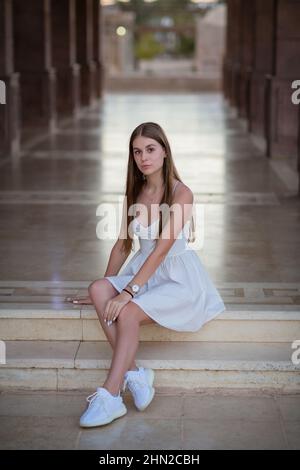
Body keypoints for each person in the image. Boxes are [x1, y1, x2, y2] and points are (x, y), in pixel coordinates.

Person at [67, 122, 226, 428]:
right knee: (98, 289)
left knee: (126, 314)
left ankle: (110, 396)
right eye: (137, 151)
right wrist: (110, 288)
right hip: (145, 273)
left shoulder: (182, 193)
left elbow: (161, 251)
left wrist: (126, 293)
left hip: (177, 279)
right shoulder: (136, 192)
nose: (144, 157)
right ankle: (136, 375)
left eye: (150, 149)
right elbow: (123, 246)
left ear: (165, 151)